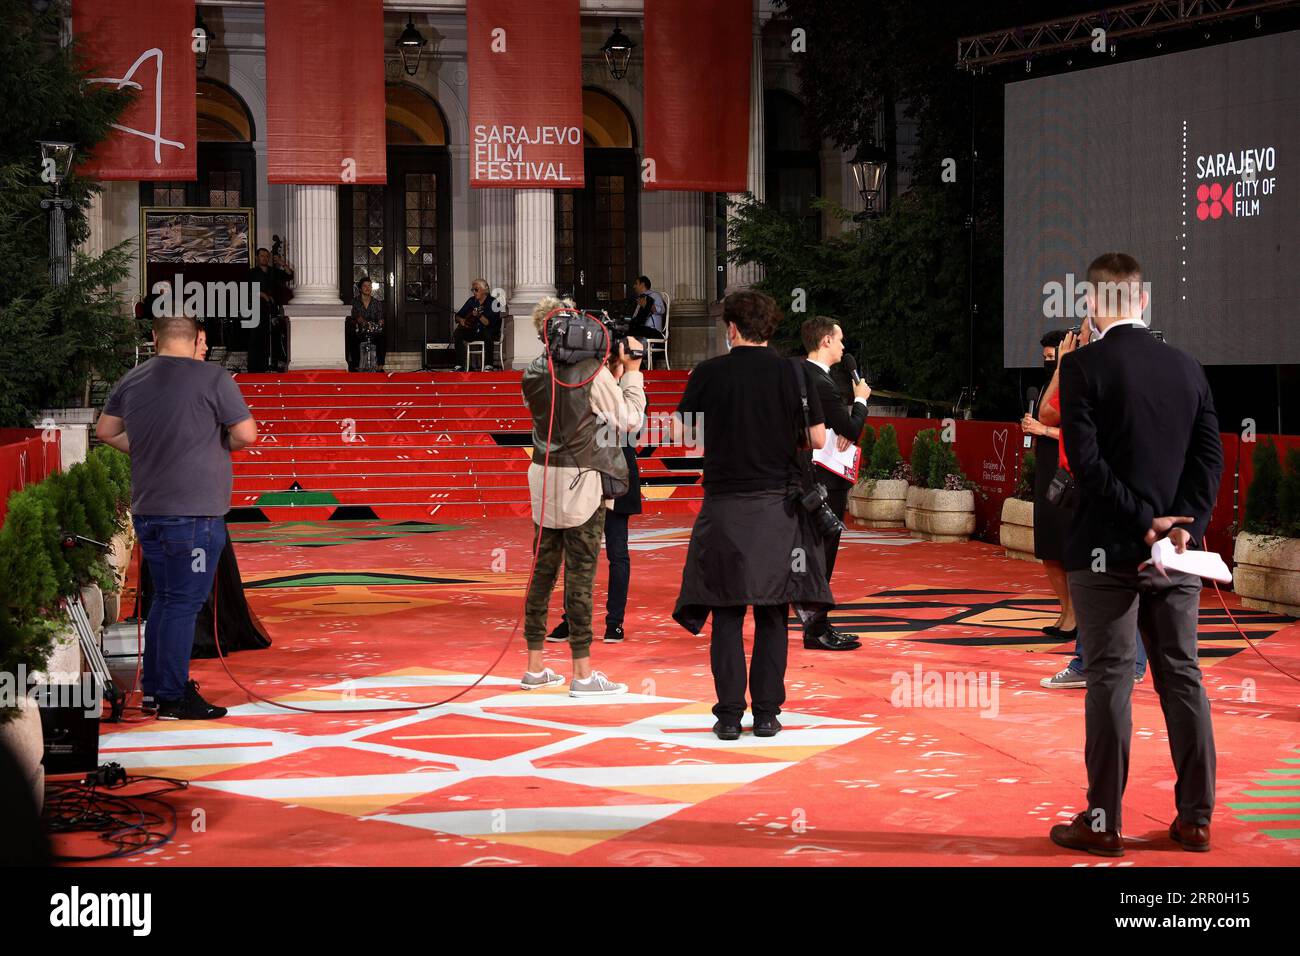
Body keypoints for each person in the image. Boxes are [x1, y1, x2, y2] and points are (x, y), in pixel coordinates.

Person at [1048, 253, 1223, 858]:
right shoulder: (1186, 367)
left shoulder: (1082, 367)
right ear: (1144, 301)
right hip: (1178, 554)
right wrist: (1185, 524)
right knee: (1182, 675)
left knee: (1111, 680)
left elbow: (1086, 464)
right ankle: (1197, 819)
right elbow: (1209, 459)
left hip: (1106, 551)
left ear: (1093, 305)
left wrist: (1141, 521)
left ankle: (1103, 822)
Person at [672, 291, 833, 741]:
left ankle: (727, 718)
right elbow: (818, 439)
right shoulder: (794, 373)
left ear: (731, 328)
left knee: (726, 612)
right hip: (777, 510)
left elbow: (686, 436)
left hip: (723, 507)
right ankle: (766, 714)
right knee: (772, 611)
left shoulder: (709, 372)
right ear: (770, 327)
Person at [95, 314, 258, 720]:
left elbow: (106, 431)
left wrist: (150, 450)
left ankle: (157, 689)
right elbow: (247, 434)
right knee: (183, 603)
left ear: (155, 339)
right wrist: (214, 443)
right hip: (194, 514)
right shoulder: (213, 379)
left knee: (165, 601)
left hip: (150, 511)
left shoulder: (133, 379)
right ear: (196, 340)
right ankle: (170, 694)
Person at [519, 296, 645, 696]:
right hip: (581, 480)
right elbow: (629, 420)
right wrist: (632, 375)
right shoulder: (589, 371)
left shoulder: (534, 370)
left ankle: (535, 666)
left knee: (542, 570)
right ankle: (583, 674)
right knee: (581, 573)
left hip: (542, 475)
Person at [1026, 323, 1148, 689]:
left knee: (1090, 579)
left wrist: (1065, 365)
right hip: (1118, 489)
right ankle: (1130, 662)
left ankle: (1087, 662)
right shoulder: (1122, 370)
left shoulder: (1086, 372)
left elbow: (1048, 414)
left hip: (1096, 490)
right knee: (1121, 578)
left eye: (1077, 335)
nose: (1071, 341)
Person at [547, 353, 646, 646]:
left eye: (610, 364)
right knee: (578, 554)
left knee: (618, 554)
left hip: (617, 482)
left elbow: (633, 430)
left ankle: (614, 623)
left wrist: (628, 380)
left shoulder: (632, 394)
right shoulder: (583, 391)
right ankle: (571, 620)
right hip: (585, 479)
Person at [800, 315, 872, 651]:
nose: (844, 347)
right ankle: (816, 629)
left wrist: (840, 425)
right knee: (822, 554)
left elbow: (839, 426)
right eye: (840, 339)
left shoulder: (807, 375)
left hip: (818, 475)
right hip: (824, 479)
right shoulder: (819, 380)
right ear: (826, 340)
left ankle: (818, 624)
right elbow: (852, 428)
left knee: (818, 554)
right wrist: (860, 400)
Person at [246, 247, 292, 372]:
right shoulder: (252, 272)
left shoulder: (273, 271)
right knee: (256, 338)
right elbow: (247, 290)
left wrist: (283, 264)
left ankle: (271, 364)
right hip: (256, 309)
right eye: (262, 256)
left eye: (267, 256)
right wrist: (262, 294)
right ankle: (255, 368)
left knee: (271, 337)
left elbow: (289, 275)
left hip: (271, 309)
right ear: (256, 258)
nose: (265, 258)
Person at [453, 278, 503, 370]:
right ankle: (459, 365)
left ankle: (489, 365)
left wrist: (479, 316)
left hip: (490, 332)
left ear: (484, 290)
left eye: (476, 289)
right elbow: (458, 315)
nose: (474, 292)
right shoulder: (471, 301)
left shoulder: (494, 303)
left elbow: (490, 323)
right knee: (458, 333)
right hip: (474, 331)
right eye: (472, 290)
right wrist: (461, 320)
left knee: (488, 333)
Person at [348, 276, 385, 372]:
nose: (367, 288)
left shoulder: (377, 303)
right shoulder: (354, 302)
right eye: (365, 286)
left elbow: (380, 318)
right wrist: (359, 321)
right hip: (359, 331)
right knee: (352, 337)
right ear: (360, 288)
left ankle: (380, 365)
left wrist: (380, 322)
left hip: (373, 331)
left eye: (369, 286)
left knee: (382, 337)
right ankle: (356, 365)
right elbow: (352, 318)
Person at [628, 275, 666, 341]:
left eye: (636, 284)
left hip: (653, 330)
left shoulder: (655, 295)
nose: (634, 286)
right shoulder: (639, 298)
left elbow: (662, 310)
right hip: (641, 328)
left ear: (642, 285)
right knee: (626, 331)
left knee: (631, 333)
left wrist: (649, 305)